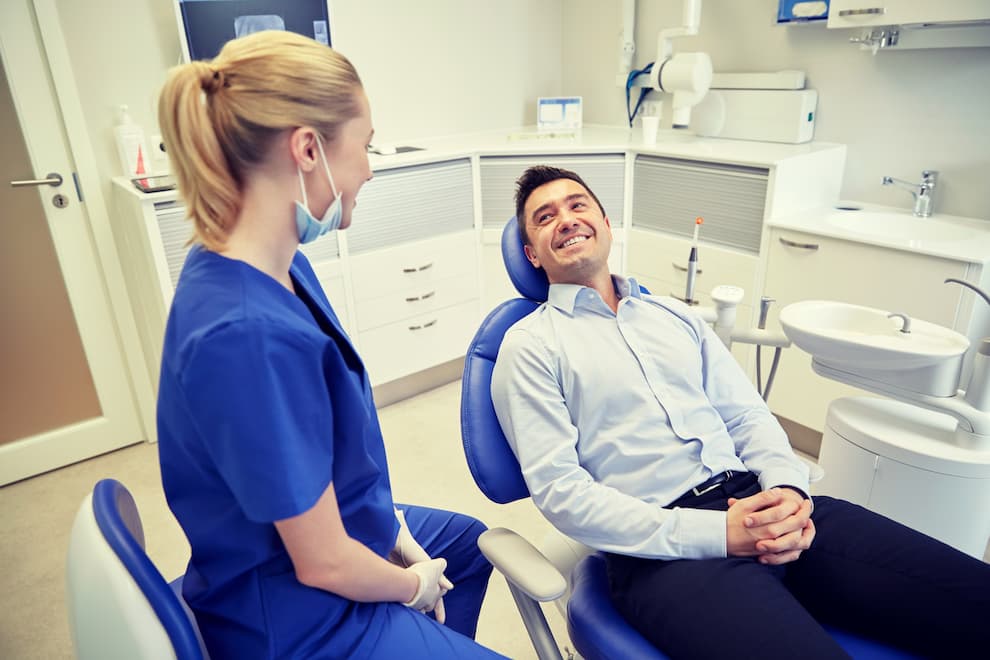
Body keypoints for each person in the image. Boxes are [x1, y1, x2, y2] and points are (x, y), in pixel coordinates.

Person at [491, 165, 990, 659]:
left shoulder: (674, 317)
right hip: (665, 555)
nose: (566, 218)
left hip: (763, 501)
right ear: (533, 253)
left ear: (605, 224)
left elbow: (748, 415)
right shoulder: (532, 346)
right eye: (544, 216)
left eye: (578, 205)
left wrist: (788, 491)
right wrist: (718, 535)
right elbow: (563, 494)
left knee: (971, 597)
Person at [155, 31, 505, 659]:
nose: (370, 167)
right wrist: (408, 586)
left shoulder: (277, 265)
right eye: (364, 145)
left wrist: (388, 525)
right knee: (435, 578)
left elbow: (323, 450)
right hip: (297, 616)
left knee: (467, 546)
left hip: (331, 535)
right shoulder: (244, 335)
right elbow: (322, 565)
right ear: (308, 149)